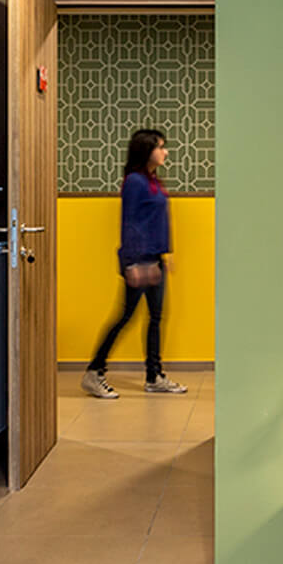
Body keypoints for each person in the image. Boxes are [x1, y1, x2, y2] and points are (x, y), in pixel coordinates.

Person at [81, 128, 188, 398]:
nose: (165, 152)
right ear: (146, 150)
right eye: (160, 147)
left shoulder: (153, 181)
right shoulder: (135, 182)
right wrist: (133, 264)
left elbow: (158, 220)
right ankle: (94, 372)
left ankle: (154, 376)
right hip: (139, 261)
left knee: (155, 318)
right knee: (126, 316)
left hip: (155, 259)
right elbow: (129, 225)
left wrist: (167, 253)